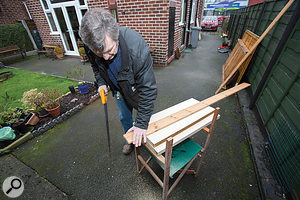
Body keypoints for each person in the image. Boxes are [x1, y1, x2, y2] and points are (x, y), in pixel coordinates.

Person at [79, 8, 157, 155]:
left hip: (138, 90)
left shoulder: (137, 46)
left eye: (109, 51)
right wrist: (101, 82)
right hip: (119, 89)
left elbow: (148, 89)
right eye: (99, 53)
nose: (105, 57)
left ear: (116, 36)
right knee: (124, 117)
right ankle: (130, 140)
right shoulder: (92, 43)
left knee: (148, 118)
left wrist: (141, 123)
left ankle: (148, 142)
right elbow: (96, 66)